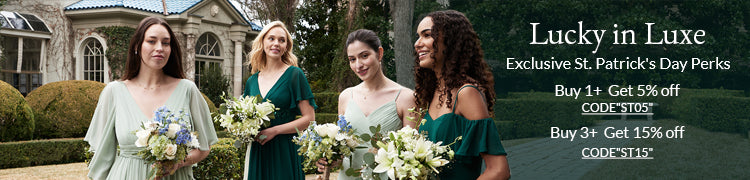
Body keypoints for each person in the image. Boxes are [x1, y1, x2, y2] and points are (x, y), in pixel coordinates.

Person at [84, 16, 218, 180]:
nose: (159, 48)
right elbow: (102, 157)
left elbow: (204, 148)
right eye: (152, 41)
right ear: (136, 46)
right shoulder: (113, 92)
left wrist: (179, 162)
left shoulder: (187, 90)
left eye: (166, 43)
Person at [413, 10, 511, 180]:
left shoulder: (466, 93)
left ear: (450, 41)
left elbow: (499, 170)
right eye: (418, 36)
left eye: (427, 35)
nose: (417, 43)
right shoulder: (429, 94)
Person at [315, 29, 418, 180]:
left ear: (379, 53)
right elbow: (344, 149)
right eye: (352, 59)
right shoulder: (345, 96)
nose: (358, 65)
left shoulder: (406, 97)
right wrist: (329, 158)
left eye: (364, 56)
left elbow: (411, 155)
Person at [243, 21, 318, 180]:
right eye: (271, 38)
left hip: (285, 150)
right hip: (258, 149)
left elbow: (309, 119)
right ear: (262, 42)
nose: (276, 43)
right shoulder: (252, 81)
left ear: (286, 46)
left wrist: (275, 130)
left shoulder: (294, 75)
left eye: (281, 40)